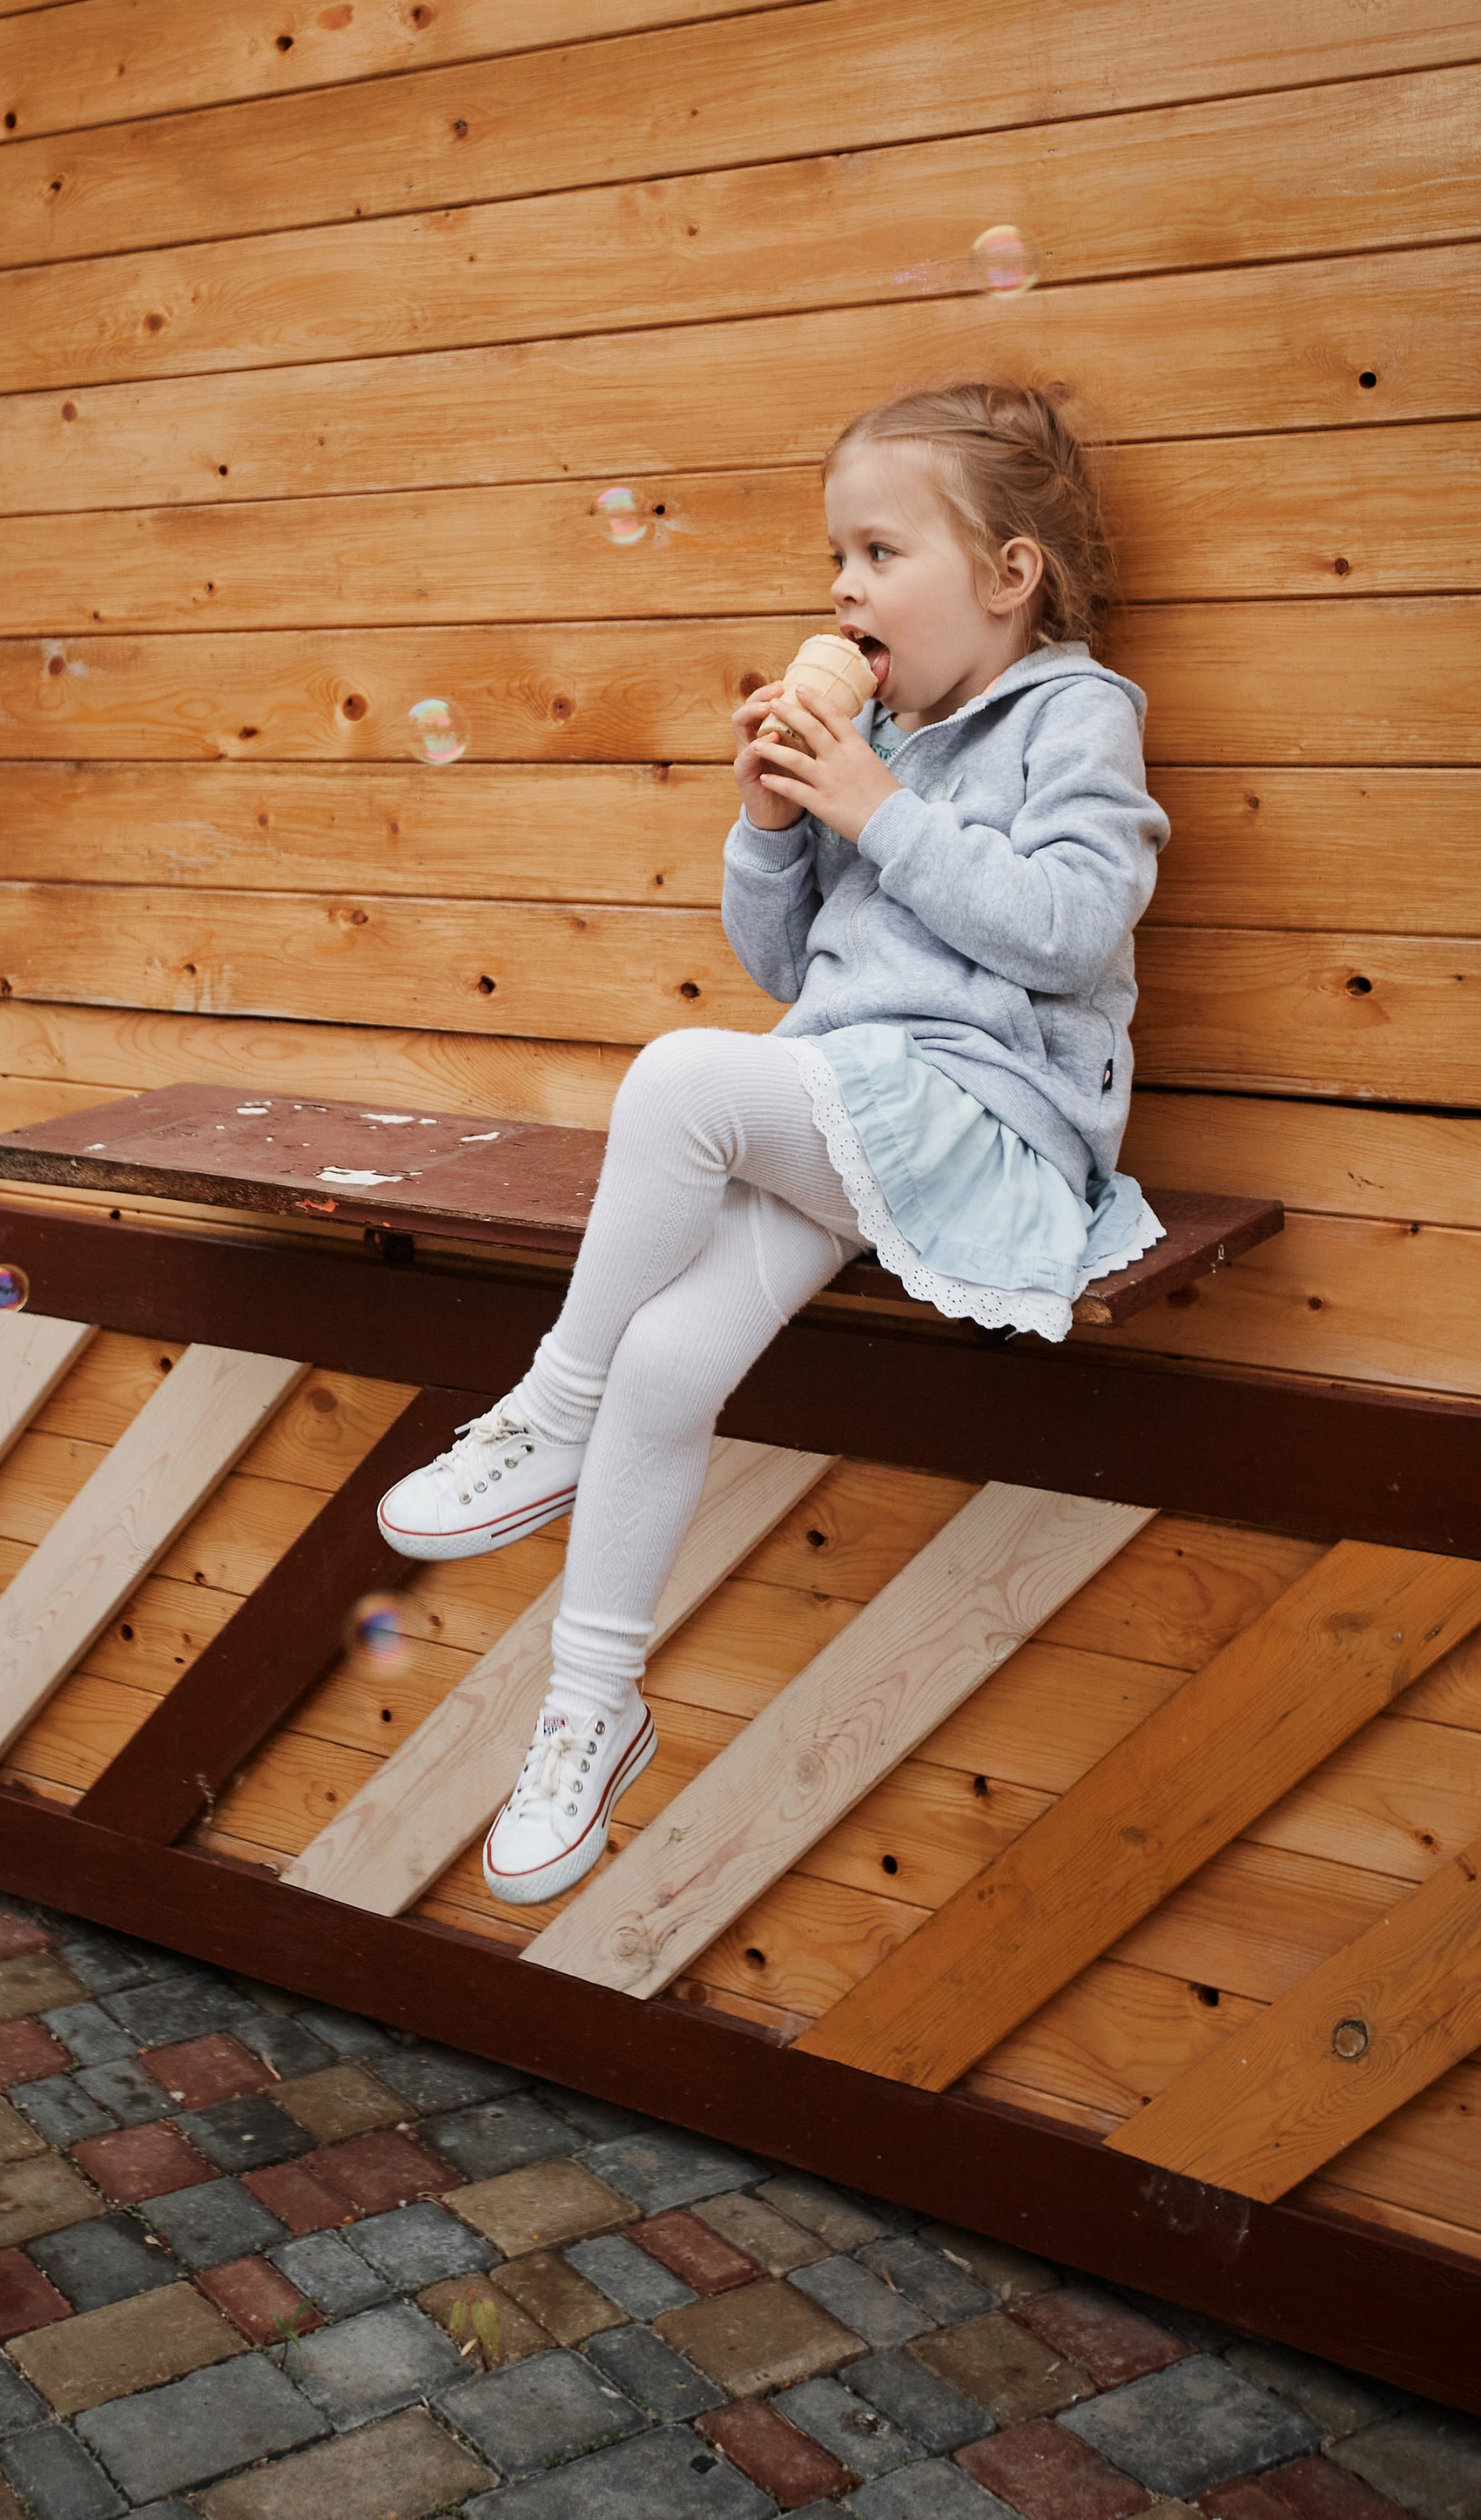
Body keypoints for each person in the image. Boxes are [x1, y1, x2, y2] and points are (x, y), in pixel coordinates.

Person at [377, 381, 1170, 1909]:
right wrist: (774, 822)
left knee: (679, 1079)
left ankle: (549, 1409)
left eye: (880, 554)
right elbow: (788, 970)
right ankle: (590, 1714)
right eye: (837, 561)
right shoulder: (880, 727)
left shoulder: (1075, 714)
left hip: (985, 1128)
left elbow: (1071, 934)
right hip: (851, 1101)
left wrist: (878, 809)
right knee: (672, 1361)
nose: (844, 590)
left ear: (1009, 575)